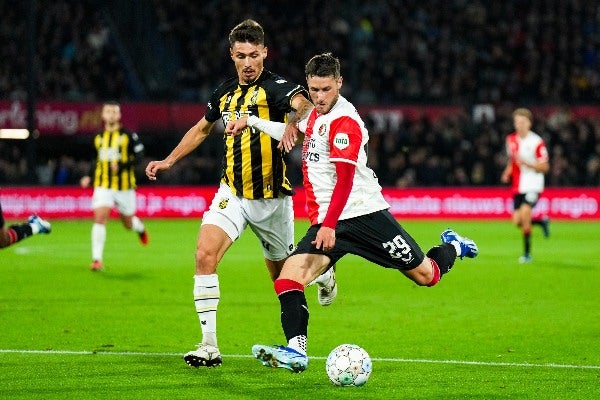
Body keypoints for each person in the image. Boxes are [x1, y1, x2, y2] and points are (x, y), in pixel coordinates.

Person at [225, 52, 479, 373]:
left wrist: (329, 225)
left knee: (426, 275)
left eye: (326, 90)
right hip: (328, 222)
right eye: (314, 89)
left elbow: (344, 180)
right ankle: (296, 350)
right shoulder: (314, 115)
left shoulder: (346, 121)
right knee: (289, 276)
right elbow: (295, 132)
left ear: (339, 84)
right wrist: (252, 122)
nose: (318, 97)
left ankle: (454, 245)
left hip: (364, 215)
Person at [144, 19, 337, 368]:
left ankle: (321, 271)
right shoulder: (224, 93)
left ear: (264, 53)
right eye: (241, 56)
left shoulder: (277, 87)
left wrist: (293, 123)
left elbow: (306, 107)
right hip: (231, 193)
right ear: (231, 56)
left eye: (254, 55)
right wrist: (169, 160)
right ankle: (208, 345)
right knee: (204, 255)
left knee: (283, 279)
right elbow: (201, 129)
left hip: (272, 201)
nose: (248, 63)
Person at [80, 101, 149, 271]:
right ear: (103, 115)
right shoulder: (99, 137)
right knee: (100, 218)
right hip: (103, 184)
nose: (111, 114)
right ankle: (97, 259)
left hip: (124, 187)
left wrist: (123, 166)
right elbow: (95, 160)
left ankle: (139, 227)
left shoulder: (128, 136)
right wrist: (88, 176)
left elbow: (140, 157)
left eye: (114, 112)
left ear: (119, 116)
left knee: (128, 224)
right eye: (108, 111)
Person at [501, 108, 550, 263]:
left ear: (529, 123)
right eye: (516, 122)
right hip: (518, 185)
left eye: (522, 122)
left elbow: (545, 167)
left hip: (533, 184)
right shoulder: (511, 140)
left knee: (525, 213)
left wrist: (528, 164)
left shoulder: (536, 142)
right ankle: (541, 221)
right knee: (517, 221)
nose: (519, 125)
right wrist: (507, 171)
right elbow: (512, 161)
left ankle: (527, 254)